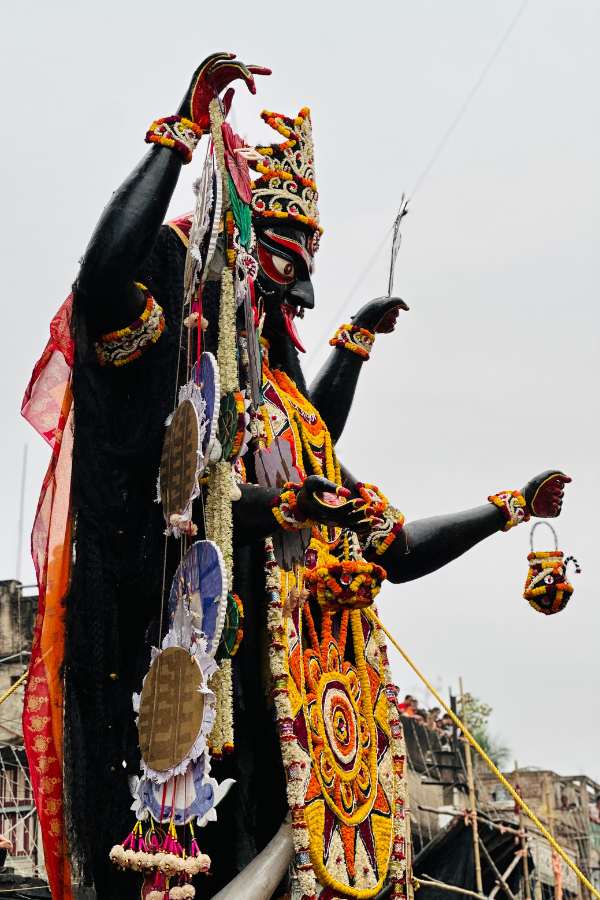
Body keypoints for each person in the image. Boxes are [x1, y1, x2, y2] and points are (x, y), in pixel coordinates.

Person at [22, 52, 570, 900]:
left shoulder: (286, 402)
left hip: (327, 709)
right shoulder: (195, 361)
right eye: (288, 259)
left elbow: (388, 545)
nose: (306, 291)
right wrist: (180, 131)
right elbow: (103, 296)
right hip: (231, 699)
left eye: (311, 258)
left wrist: (506, 511)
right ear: (246, 243)